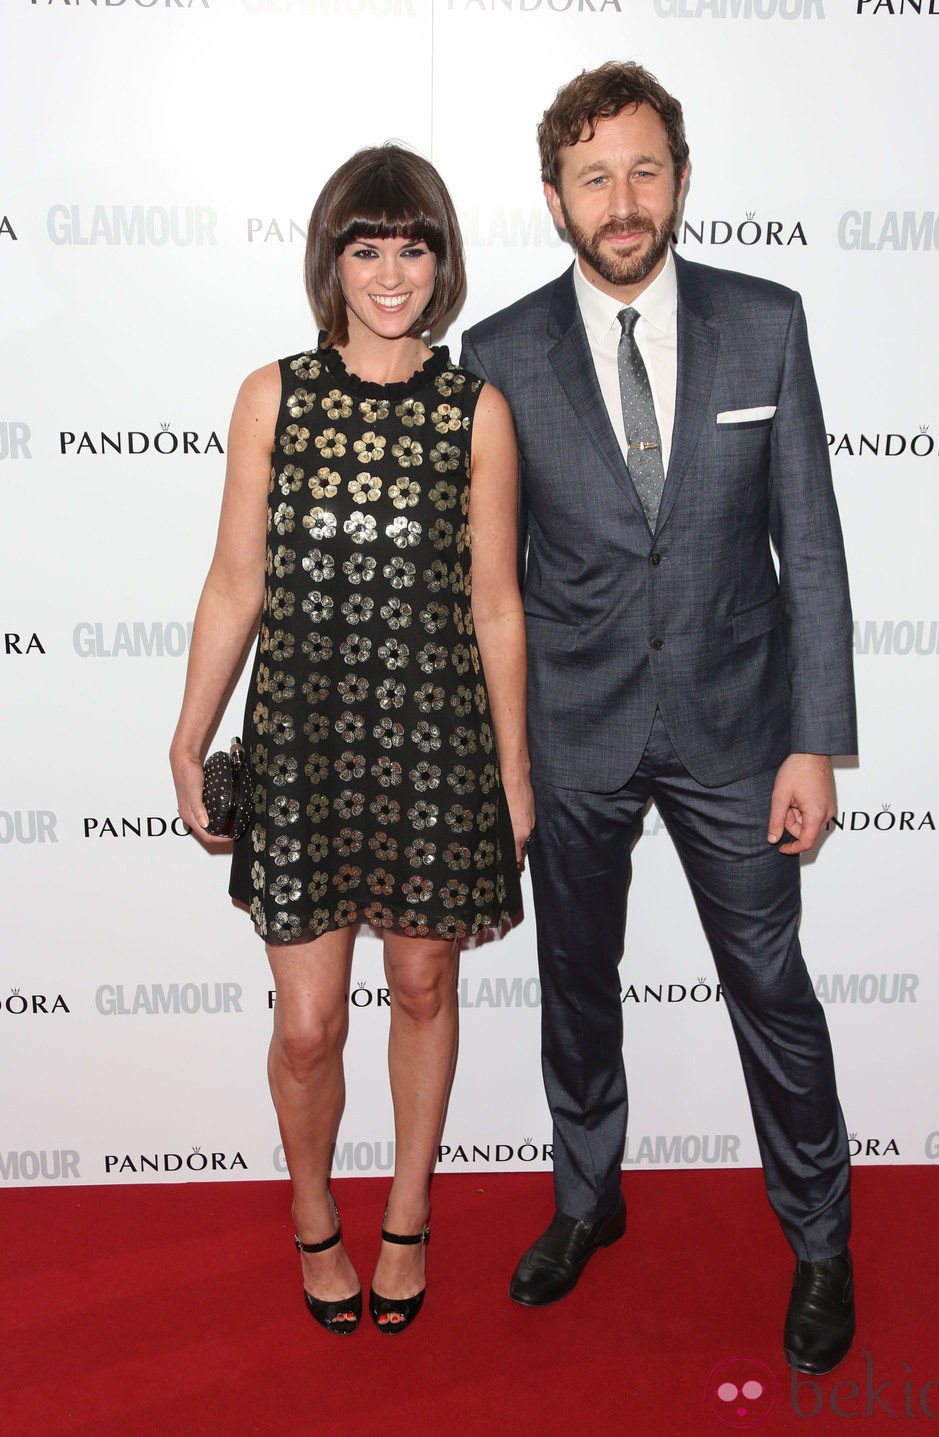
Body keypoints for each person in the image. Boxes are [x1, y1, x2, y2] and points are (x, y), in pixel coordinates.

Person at [460, 61, 857, 1375]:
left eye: (643, 169)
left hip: (743, 729)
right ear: (555, 197)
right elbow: (493, 583)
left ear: (681, 176)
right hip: (572, 734)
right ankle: (587, 1199)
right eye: (593, 178)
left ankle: (819, 1238)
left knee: (772, 992)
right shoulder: (500, 354)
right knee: (573, 990)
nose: (621, 202)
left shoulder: (767, 324)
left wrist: (815, 739)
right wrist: (507, 764)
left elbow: (813, 544)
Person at [171, 144, 532, 1337]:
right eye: (367, 247)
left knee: (424, 983)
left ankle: (409, 1216)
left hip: (434, 748)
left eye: (413, 246)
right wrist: (190, 735)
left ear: (443, 262)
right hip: (306, 746)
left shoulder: (475, 412)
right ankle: (314, 1211)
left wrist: (514, 777)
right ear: (332, 258)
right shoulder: (272, 396)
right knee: (308, 1024)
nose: (390, 273)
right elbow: (235, 583)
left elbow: (494, 605)